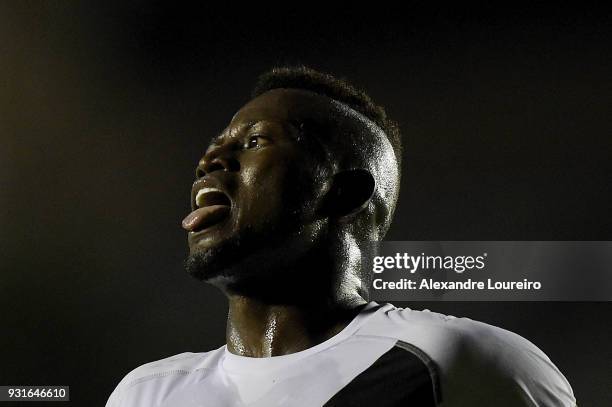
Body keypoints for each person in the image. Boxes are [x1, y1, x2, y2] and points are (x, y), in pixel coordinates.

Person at [105, 66, 576, 406]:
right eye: (213, 149)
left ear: (343, 192)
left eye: (254, 142)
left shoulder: (460, 364)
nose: (211, 162)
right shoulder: (144, 392)